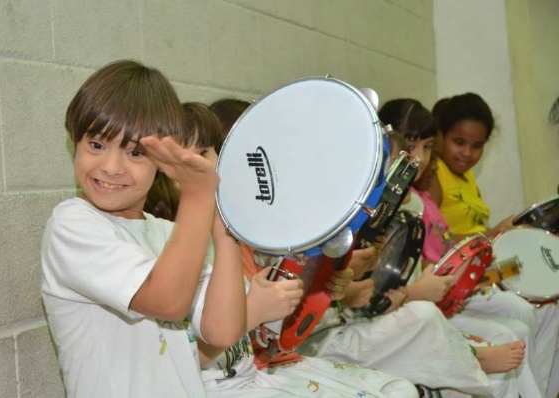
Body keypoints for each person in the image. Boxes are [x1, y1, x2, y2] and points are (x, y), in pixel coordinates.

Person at [210, 98, 525, 397]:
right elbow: (274, 323)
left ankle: (468, 362)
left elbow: (329, 298)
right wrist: (346, 286)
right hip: (297, 347)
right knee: (424, 325)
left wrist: (341, 282)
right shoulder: (250, 235)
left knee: (497, 324)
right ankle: (470, 362)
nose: (417, 159)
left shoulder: (295, 223)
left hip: (314, 335)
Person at [146, 101, 420, 397]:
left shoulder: (241, 229)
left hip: (263, 364)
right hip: (222, 380)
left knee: (399, 389)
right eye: (183, 159)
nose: (197, 166)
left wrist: (328, 289)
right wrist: (258, 311)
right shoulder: (168, 240)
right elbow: (179, 354)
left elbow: (281, 319)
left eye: (204, 153)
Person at [40, 60, 247, 398]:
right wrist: (197, 198)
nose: (110, 167)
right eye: (96, 145)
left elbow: (223, 331)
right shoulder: (72, 224)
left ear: (164, 162)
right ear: (74, 142)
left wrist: (221, 222)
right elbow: (167, 302)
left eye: (135, 152)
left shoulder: (170, 234)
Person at [379, 98, 545, 397]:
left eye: (427, 147)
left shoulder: (424, 198)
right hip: (432, 289)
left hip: (455, 276)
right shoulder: (402, 199)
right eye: (410, 145)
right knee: (515, 319)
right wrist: (492, 236)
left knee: (527, 282)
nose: (420, 159)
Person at [427, 93, 559, 398]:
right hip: (464, 274)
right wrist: (494, 233)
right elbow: (438, 243)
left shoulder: (467, 178)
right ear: (441, 137)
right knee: (529, 305)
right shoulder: (437, 177)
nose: (467, 153)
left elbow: (475, 231)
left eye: (477, 146)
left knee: (551, 293)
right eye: (459, 142)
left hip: (488, 263)